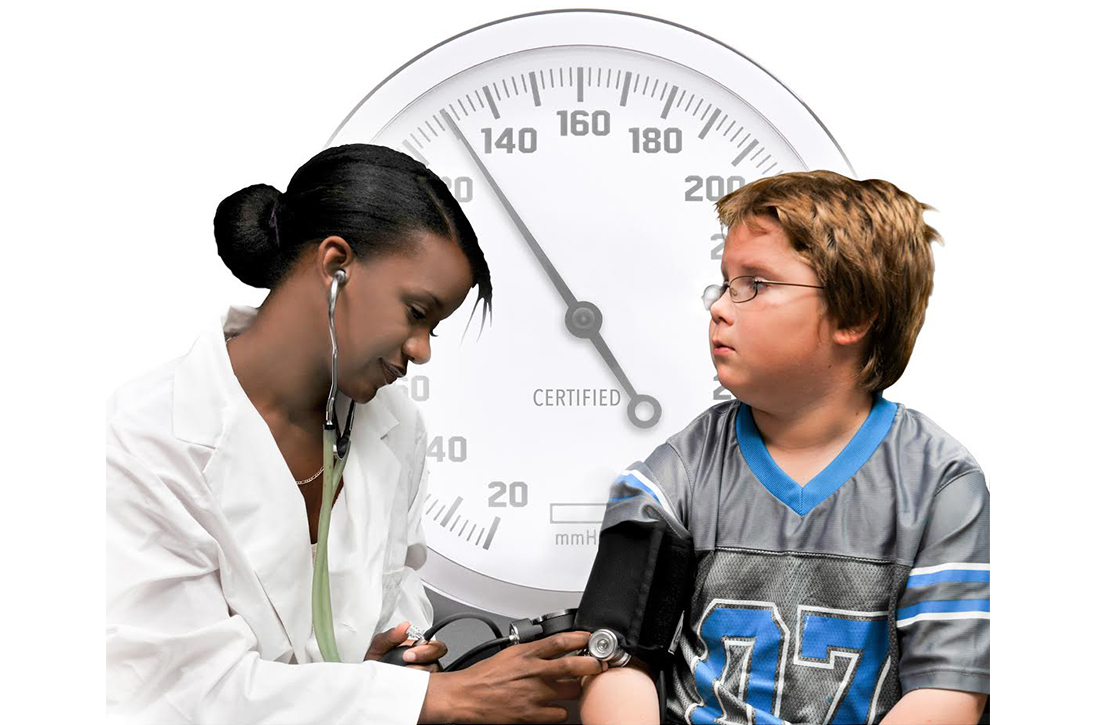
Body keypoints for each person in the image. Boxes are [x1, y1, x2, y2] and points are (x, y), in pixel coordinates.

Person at [107, 143, 600, 724]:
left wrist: (392, 660)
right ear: (336, 265)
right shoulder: (143, 441)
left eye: (434, 329)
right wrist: (429, 700)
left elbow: (395, 593)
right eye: (417, 313)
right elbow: (177, 695)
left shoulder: (395, 426)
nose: (420, 351)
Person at [578, 171, 990, 724]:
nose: (720, 307)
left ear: (854, 315)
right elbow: (617, 663)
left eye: (755, 284)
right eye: (724, 283)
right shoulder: (674, 475)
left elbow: (947, 694)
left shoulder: (941, 486)